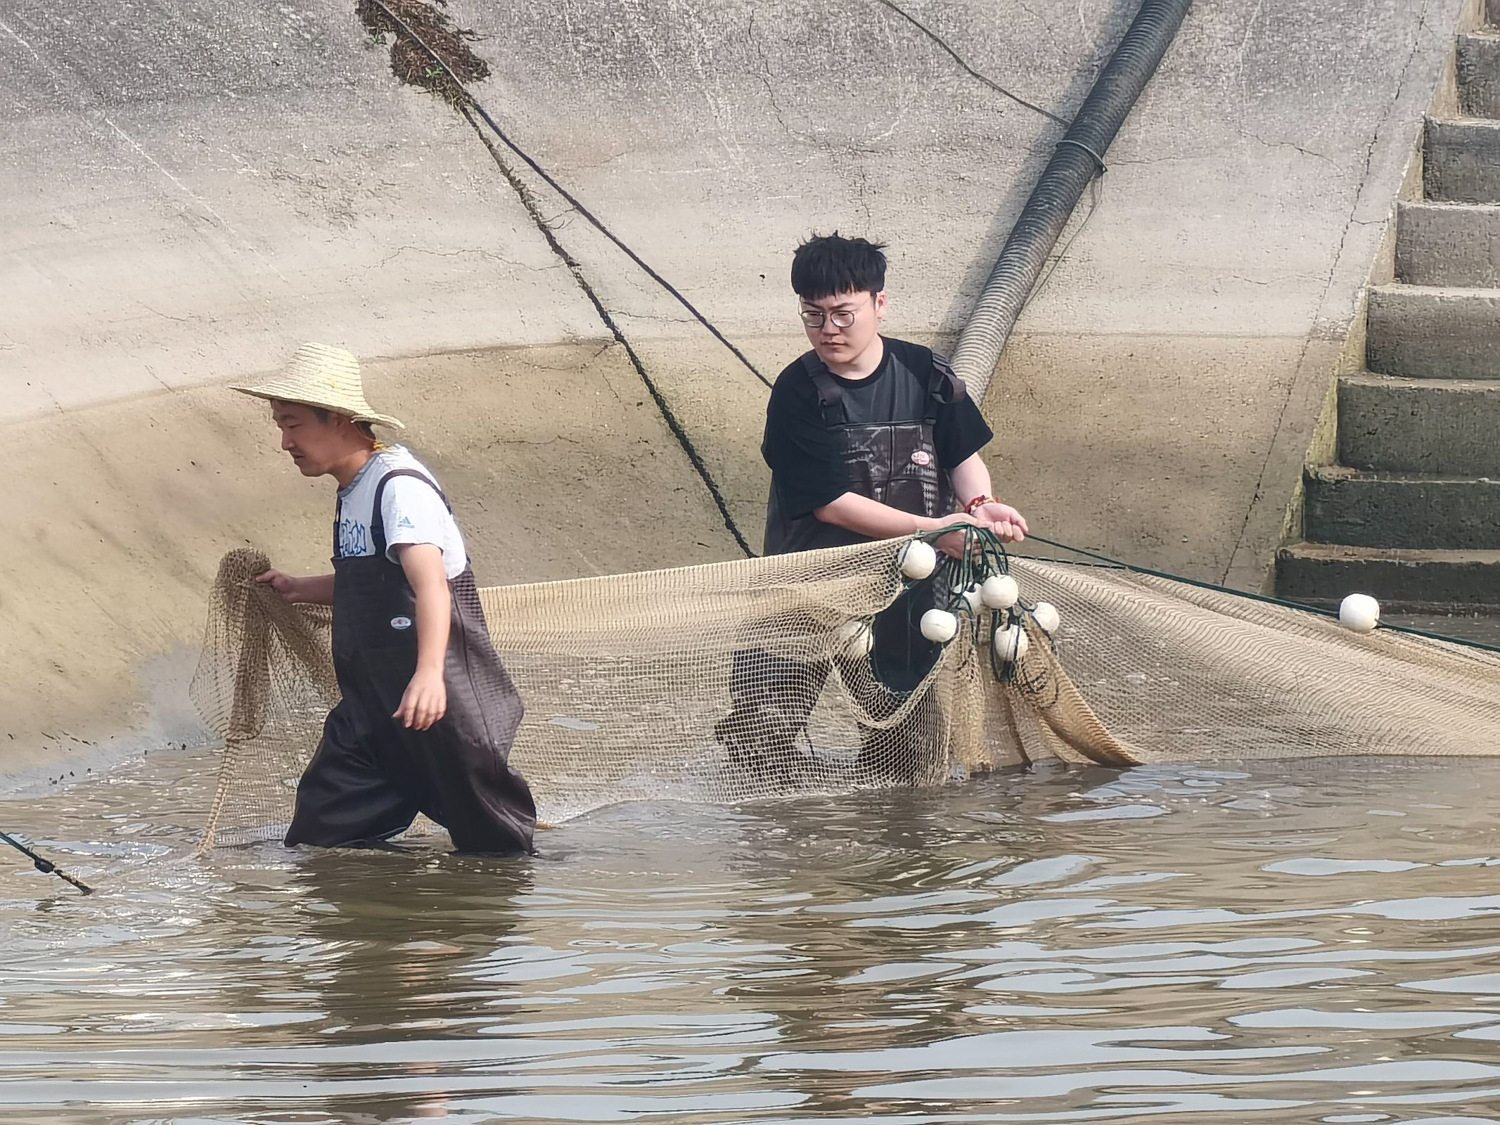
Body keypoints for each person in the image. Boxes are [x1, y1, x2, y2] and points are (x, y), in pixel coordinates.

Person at [717, 233, 1029, 781]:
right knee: (757, 741)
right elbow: (831, 505)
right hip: (810, 587)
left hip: (911, 590)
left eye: (843, 314)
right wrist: (936, 529)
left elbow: (963, 456)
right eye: (812, 316)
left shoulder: (926, 374)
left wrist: (982, 506)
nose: (828, 331)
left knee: (909, 758)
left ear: (879, 304)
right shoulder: (798, 392)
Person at [233, 342, 536, 853]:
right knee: (321, 839)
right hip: (371, 709)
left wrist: (429, 677)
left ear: (342, 421)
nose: (285, 442)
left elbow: (430, 587)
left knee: (497, 854)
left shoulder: (397, 486)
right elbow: (373, 583)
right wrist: (298, 588)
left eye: (293, 424)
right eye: (280, 427)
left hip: (439, 705)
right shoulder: (353, 487)